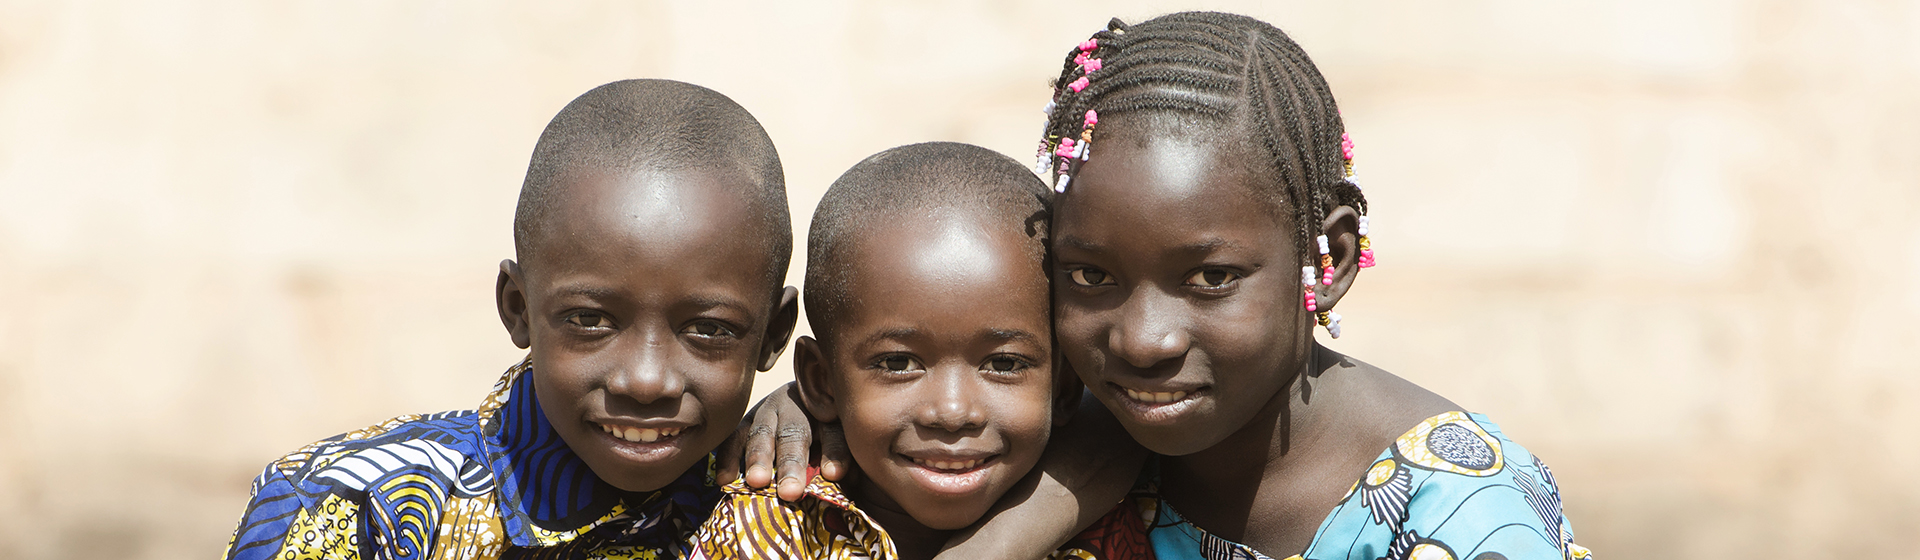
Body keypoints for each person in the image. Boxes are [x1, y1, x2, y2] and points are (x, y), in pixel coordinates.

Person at [988, 12, 1595, 560]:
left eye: (1212, 278)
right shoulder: (1035, 457)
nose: (1143, 342)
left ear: (1329, 260)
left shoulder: (1458, 514)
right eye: (1091, 276)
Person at [222, 79, 809, 560]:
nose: (647, 380)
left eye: (709, 330)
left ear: (775, 334)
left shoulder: (808, 516)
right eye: (590, 319)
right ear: (518, 308)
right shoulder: (348, 509)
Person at [692, 142, 1154, 560]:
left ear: (1066, 384)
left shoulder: (1107, 532)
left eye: (1004, 363)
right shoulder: (765, 530)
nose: (953, 412)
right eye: (898, 363)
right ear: (820, 381)